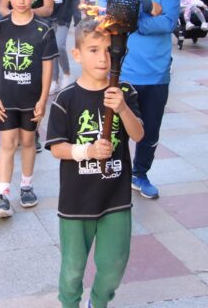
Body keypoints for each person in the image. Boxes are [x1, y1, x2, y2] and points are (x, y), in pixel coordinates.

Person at [45, 19, 144, 308]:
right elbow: (56, 148)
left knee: (114, 263)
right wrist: (86, 151)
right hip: (77, 200)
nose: (103, 58)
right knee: (73, 267)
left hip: (115, 196)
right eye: (93, 49)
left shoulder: (125, 91)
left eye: (109, 51)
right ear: (77, 55)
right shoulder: (66, 99)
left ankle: (98, 302)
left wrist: (122, 107)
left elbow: (138, 134)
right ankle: (70, 303)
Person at [98, 0, 180, 199]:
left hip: (156, 73)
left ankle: (140, 173)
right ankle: (114, 172)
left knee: (149, 131)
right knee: (114, 127)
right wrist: (145, 6)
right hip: (120, 73)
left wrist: (131, 18)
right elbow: (109, 17)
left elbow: (167, 23)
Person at [0, 0, 58, 217]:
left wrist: (43, 100)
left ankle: (26, 186)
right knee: (7, 144)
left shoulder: (43, 29)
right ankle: (2, 195)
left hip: (31, 99)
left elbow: (48, 66)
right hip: (6, 99)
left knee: (27, 142)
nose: (21, 0)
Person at [47, 0, 78, 94]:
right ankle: (54, 80)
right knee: (51, 48)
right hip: (48, 16)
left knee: (59, 45)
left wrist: (70, 14)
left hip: (64, 15)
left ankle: (67, 73)